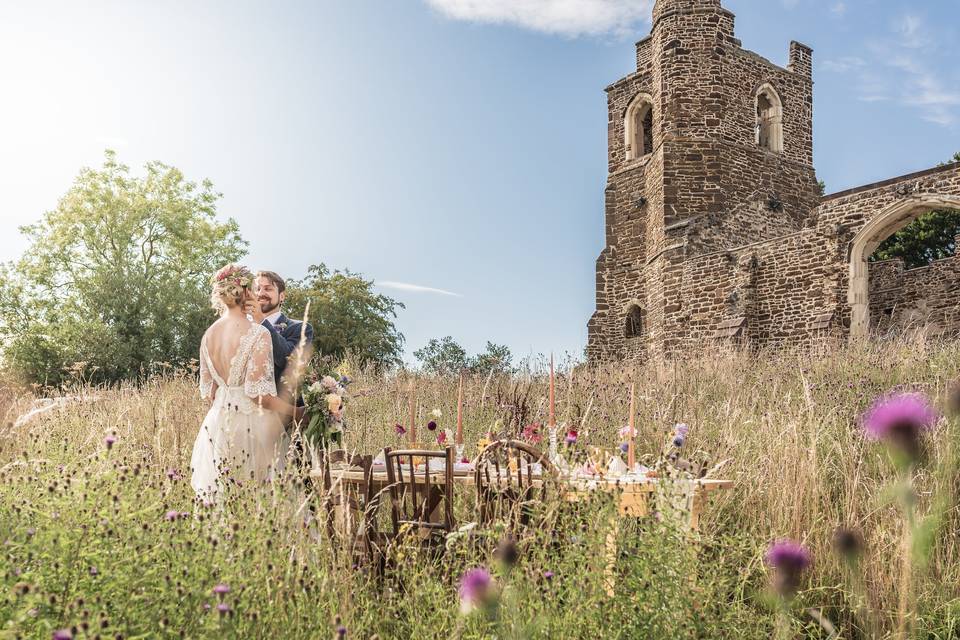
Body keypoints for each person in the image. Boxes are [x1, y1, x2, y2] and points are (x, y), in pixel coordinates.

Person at [190, 264, 304, 501]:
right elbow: (257, 395)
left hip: (218, 425)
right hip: (253, 427)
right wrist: (295, 412)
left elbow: (210, 392)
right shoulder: (257, 333)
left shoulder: (208, 335)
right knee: (263, 498)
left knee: (223, 496)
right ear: (245, 292)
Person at [246, 270, 314, 402]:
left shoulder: (300, 328)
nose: (261, 293)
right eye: (257, 289)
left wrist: (262, 322)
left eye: (268, 289)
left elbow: (288, 361)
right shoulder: (243, 327)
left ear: (282, 296)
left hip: (283, 413)